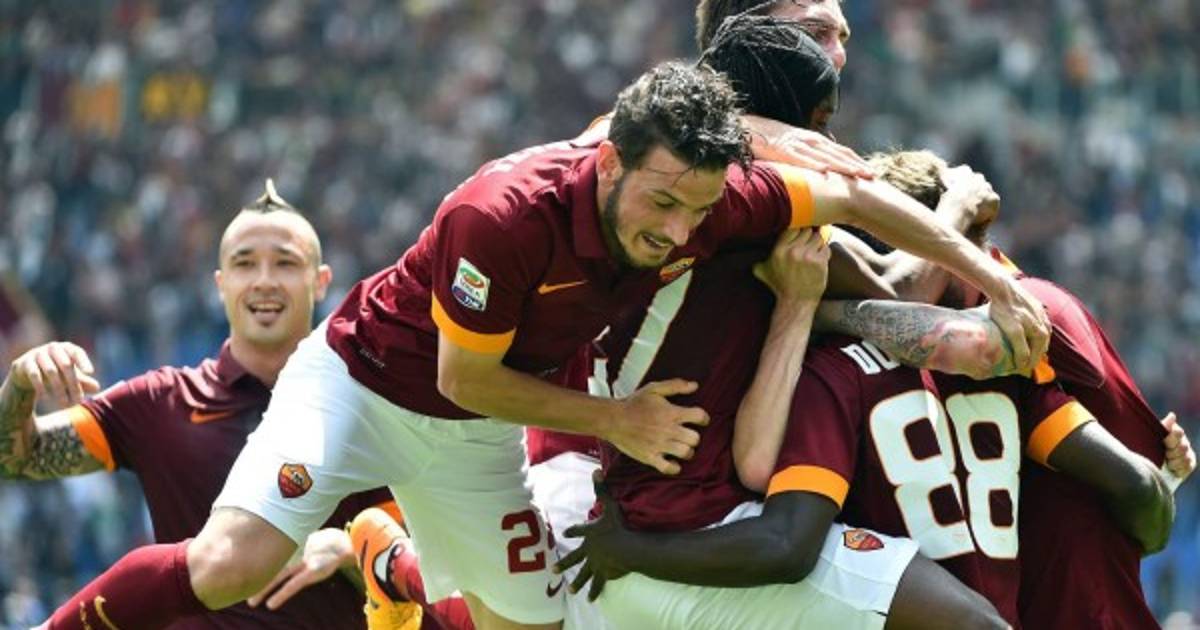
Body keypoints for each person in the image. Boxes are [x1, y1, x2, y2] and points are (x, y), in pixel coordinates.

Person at [43, 58, 1049, 630]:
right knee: (230, 563)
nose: (676, 231)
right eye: (660, 202)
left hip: (480, 434)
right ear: (609, 165)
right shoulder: (503, 213)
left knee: (532, 626)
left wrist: (994, 277)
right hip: (363, 384)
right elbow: (462, 375)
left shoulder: (709, 197)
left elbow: (854, 198)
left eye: (698, 209)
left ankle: (384, 560)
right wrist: (618, 419)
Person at [812, 150, 1196, 628]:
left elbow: (1144, 498)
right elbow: (1148, 497)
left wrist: (819, 314)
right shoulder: (991, 347)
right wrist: (1164, 482)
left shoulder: (1031, 322)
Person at [2, 182, 414, 628]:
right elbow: (15, 459)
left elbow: (423, 568)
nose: (264, 280)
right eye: (244, 263)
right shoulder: (160, 402)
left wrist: (350, 550)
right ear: (221, 284)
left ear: (320, 282)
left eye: (285, 263)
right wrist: (20, 386)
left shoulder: (365, 410)